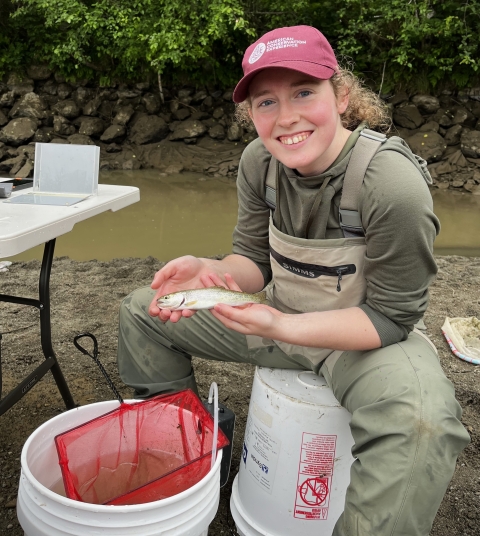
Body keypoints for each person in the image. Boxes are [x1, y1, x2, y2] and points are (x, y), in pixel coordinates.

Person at [117, 25, 469, 536]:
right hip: (277, 313)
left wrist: (279, 325)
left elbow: (393, 318)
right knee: (141, 310)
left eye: (304, 92)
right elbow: (253, 262)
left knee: (423, 421)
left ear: (342, 95)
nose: (286, 118)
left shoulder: (391, 184)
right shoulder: (259, 163)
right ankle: (192, 443)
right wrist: (209, 271)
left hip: (361, 340)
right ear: (250, 114)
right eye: (266, 103)